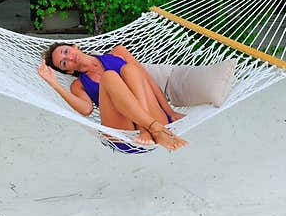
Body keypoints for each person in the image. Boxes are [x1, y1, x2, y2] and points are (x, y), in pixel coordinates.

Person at [37, 42, 188, 151]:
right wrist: (54, 84)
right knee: (109, 77)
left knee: (131, 70)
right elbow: (86, 110)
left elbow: (147, 81)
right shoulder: (78, 85)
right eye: (64, 63)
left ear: (74, 46)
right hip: (125, 134)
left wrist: (170, 111)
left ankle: (147, 128)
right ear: (68, 71)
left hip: (156, 119)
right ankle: (151, 128)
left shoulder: (119, 52)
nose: (69, 58)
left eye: (65, 51)